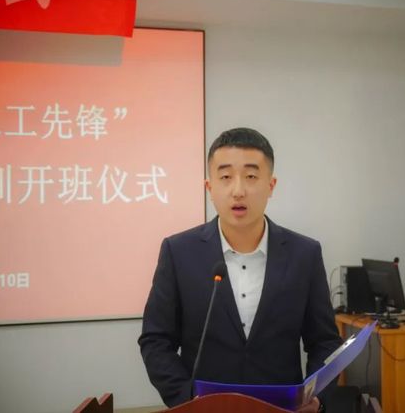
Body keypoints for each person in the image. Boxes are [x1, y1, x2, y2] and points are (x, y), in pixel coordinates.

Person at [138, 128, 342, 412]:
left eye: (251, 176)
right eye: (225, 177)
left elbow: (325, 341)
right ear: (210, 188)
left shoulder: (304, 254)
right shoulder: (178, 252)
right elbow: (156, 340)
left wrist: (316, 397)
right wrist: (185, 400)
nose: (238, 190)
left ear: (271, 185)